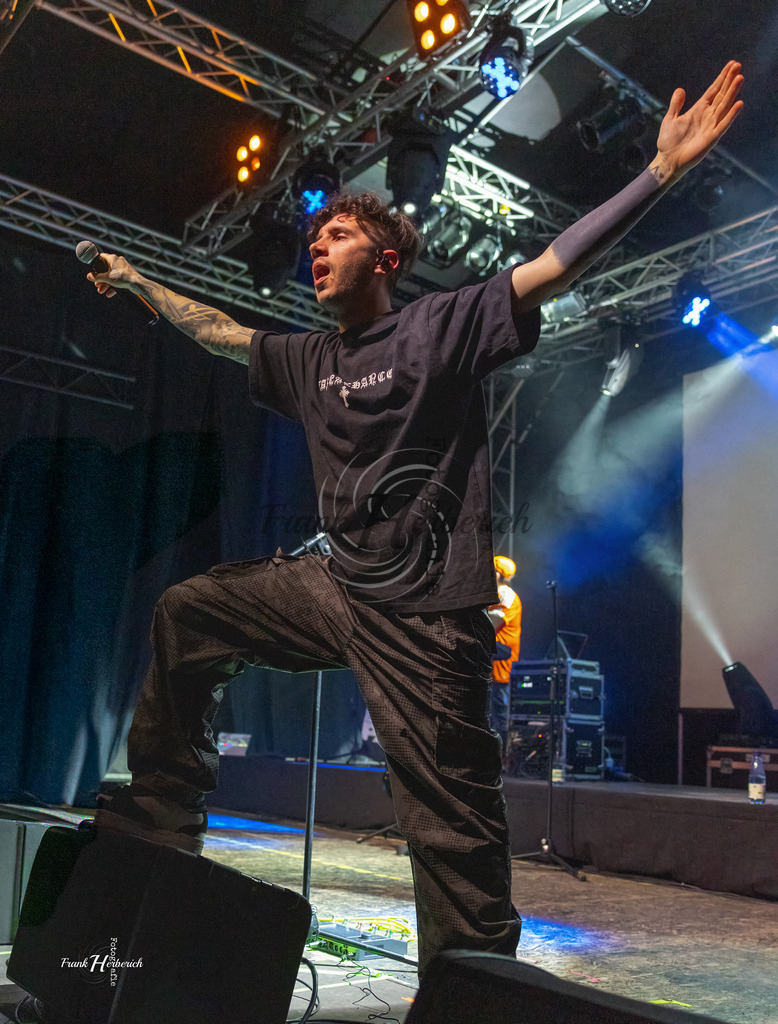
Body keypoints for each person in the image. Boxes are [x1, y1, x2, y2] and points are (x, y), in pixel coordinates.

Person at [87, 63, 743, 974]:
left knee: (451, 828)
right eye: (314, 238)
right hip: (336, 587)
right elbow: (221, 332)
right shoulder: (309, 358)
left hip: (429, 617)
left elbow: (558, 262)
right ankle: (161, 815)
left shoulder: (441, 325)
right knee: (189, 612)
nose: (318, 246)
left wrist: (659, 172)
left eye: (339, 234)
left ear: (386, 260)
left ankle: (473, 987)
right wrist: (139, 283)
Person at [488, 555, 521, 744]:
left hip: (500, 670)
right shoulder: (496, 594)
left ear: (498, 574)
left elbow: (492, 623)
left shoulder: (505, 594)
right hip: (491, 669)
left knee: (498, 719)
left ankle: (499, 757)